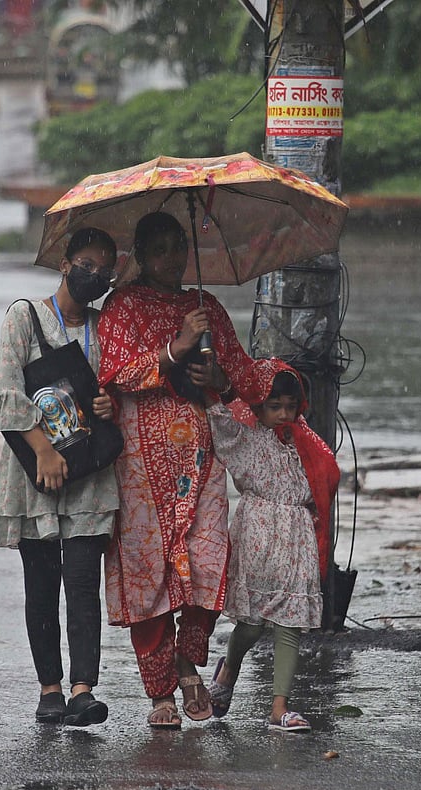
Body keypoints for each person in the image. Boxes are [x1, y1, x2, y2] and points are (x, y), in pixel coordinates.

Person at [97, 211, 260, 729]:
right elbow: (116, 372)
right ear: (141, 256)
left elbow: (245, 383)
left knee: (208, 562)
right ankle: (160, 691)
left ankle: (190, 661)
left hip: (199, 463)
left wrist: (219, 377)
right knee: (148, 574)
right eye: (160, 248)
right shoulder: (121, 307)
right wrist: (176, 347)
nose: (171, 257)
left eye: (178, 247)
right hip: (140, 465)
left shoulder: (205, 306)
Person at [0, 227, 120, 726]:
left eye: (106, 269)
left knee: (84, 582)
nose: (96, 275)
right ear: (64, 265)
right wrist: (42, 450)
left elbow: (112, 389)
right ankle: (50, 689)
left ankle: (83, 689)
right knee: (41, 583)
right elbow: (5, 391)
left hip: (88, 472)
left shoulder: (107, 327)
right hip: (35, 474)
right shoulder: (23, 317)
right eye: (87, 263)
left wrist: (109, 404)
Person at [204, 361, 340, 732]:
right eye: (274, 405)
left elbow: (326, 475)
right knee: (252, 623)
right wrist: (215, 381)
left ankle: (279, 707)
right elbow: (217, 418)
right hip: (257, 533)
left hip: (296, 534)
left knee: (290, 621)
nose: (283, 414)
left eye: (290, 406)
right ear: (258, 406)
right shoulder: (245, 437)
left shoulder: (304, 440)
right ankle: (229, 668)